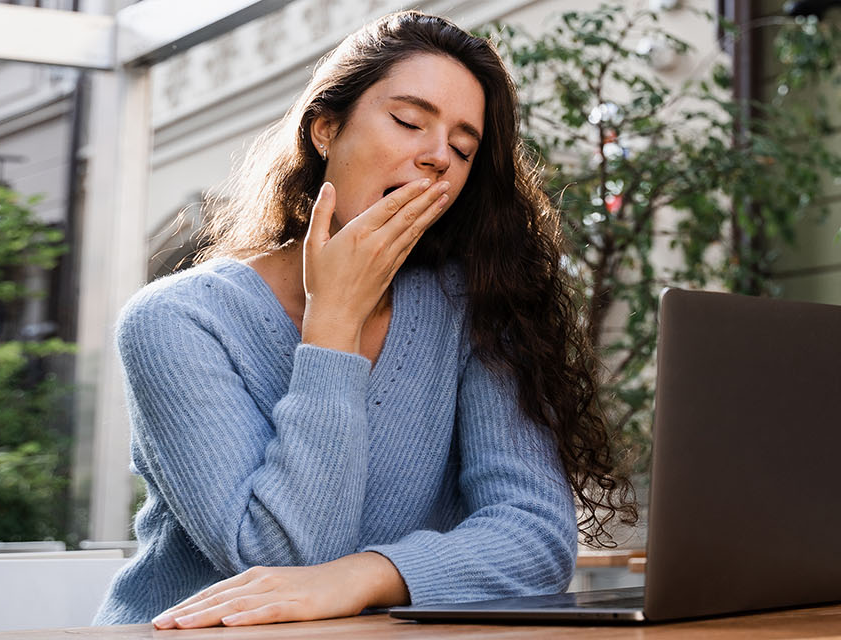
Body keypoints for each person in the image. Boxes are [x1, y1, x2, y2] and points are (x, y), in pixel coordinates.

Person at [92, 11, 634, 629]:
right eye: (408, 121)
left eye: (463, 148)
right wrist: (335, 324)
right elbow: (285, 559)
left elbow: (536, 538)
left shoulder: (472, 305)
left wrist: (369, 575)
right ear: (326, 128)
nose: (437, 158)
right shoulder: (176, 321)